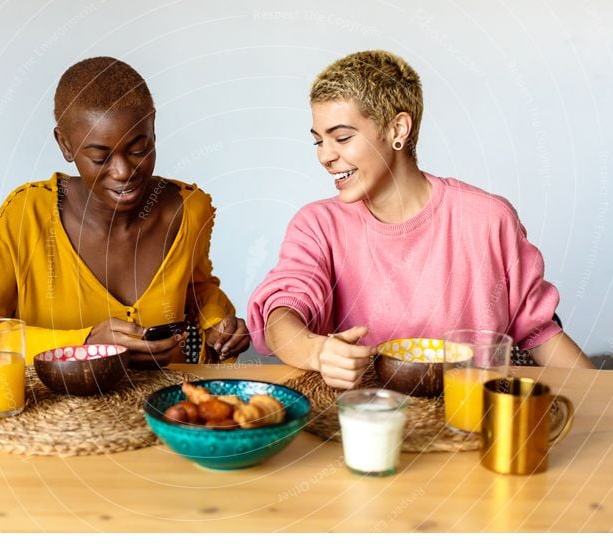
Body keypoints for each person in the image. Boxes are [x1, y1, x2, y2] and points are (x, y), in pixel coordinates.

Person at [247, 50, 593, 389]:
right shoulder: (317, 225)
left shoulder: (488, 220)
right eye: (318, 142)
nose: (325, 155)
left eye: (342, 137)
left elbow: (539, 332)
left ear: (398, 128)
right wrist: (316, 352)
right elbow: (283, 312)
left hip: (470, 420)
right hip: (364, 423)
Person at [0, 57, 249, 365]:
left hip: (166, 412)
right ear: (65, 145)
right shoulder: (27, 217)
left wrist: (218, 324)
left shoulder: (189, 210)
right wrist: (83, 344)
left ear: (153, 127)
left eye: (139, 149)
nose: (123, 171)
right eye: (100, 157)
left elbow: (196, 290)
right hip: (55, 416)